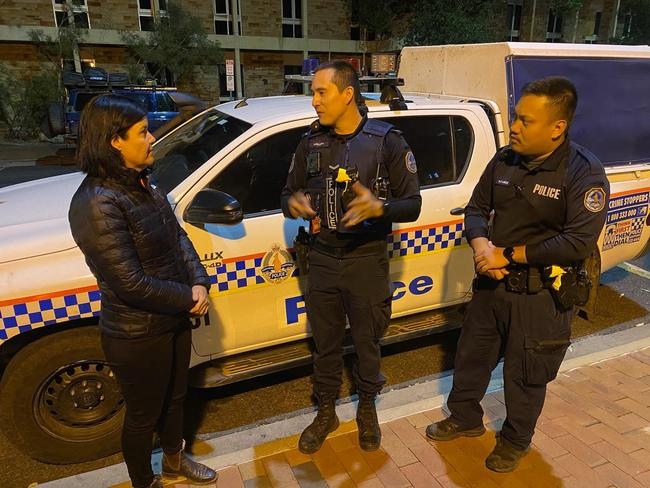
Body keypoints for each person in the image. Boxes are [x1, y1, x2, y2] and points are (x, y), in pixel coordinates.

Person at [426, 77, 610, 472]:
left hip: (541, 297)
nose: (515, 127)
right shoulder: (505, 160)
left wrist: (506, 253)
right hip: (492, 286)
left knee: (526, 374)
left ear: (557, 127)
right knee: (471, 358)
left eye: (526, 120)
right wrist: (481, 248)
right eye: (515, 117)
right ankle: (464, 418)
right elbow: (476, 209)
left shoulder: (583, 173)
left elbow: (577, 242)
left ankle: (515, 439)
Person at [68, 94, 217, 488]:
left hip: (172, 320)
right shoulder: (96, 203)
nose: (152, 138)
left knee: (176, 401)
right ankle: (144, 482)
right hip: (136, 333)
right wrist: (188, 296)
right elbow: (129, 283)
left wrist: (198, 280)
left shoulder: (143, 183)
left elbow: (177, 238)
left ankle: (174, 462)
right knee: (142, 417)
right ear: (115, 141)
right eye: (143, 132)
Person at [281, 60, 422, 454]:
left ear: (347, 94)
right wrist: (292, 203)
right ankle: (326, 411)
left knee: (367, 341)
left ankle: (366, 408)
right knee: (324, 343)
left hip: (366, 258)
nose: (314, 102)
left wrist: (381, 208)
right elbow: (286, 191)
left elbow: (413, 204)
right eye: (313, 93)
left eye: (320, 92)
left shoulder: (386, 141)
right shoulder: (310, 142)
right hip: (323, 258)